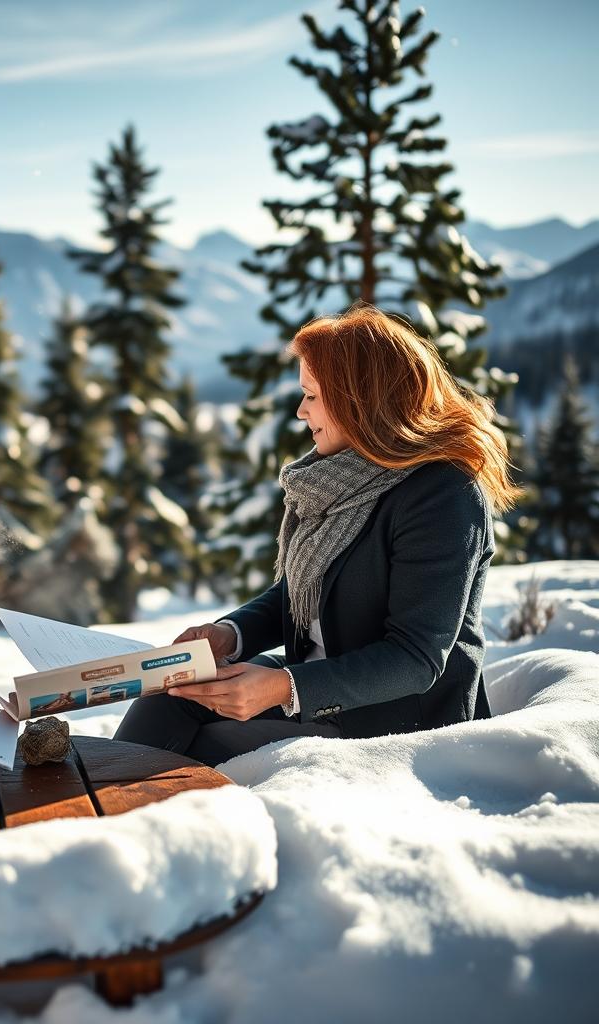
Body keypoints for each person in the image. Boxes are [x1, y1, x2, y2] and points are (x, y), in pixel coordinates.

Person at [114, 304, 522, 767]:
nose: (300, 410)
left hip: (391, 722)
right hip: (312, 686)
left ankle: (116, 822)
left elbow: (415, 658)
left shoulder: (443, 496)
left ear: (359, 400)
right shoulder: (339, 480)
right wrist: (230, 635)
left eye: (311, 395)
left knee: (200, 753)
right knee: (168, 696)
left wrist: (285, 687)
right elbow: (304, 589)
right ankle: (82, 804)